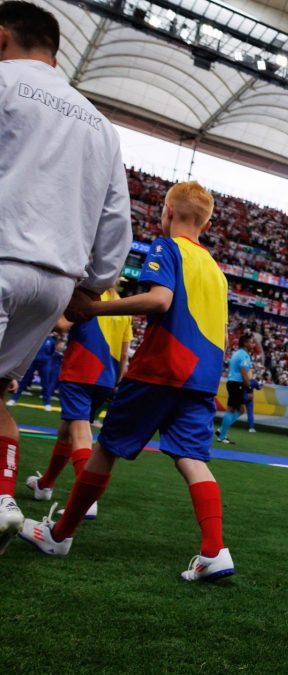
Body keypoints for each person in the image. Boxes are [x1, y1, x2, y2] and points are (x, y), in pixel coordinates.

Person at [18, 181, 234, 583]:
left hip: (161, 368)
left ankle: (59, 536)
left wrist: (95, 308)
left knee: (106, 449)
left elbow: (160, 300)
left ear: (168, 212)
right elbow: (221, 333)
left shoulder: (167, 247)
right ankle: (214, 551)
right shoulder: (217, 272)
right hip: (202, 377)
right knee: (192, 459)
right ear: (206, 224)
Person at [0, 0, 131, 553]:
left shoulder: (4, 83)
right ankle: (3, 499)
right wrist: (91, 286)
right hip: (55, 280)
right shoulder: (100, 124)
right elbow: (116, 219)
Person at [24, 289, 132, 517]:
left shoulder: (85, 296)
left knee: (80, 430)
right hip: (106, 378)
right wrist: (115, 382)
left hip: (80, 370)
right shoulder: (123, 306)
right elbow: (124, 354)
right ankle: (44, 485)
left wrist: (55, 297)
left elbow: (62, 325)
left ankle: (87, 500)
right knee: (66, 431)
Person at [216, 333, 254, 443]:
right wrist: (249, 389)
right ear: (245, 343)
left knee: (240, 409)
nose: (253, 344)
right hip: (237, 384)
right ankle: (222, 436)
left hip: (233, 383)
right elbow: (244, 372)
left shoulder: (237, 353)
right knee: (231, 409)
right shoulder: (244, 355)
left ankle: (222, 430)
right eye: (251, 342)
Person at [7, 333, 55, 407]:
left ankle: (47, 403)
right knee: (23, 381)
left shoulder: (51, 340)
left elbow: (51, 352)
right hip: (32, 362)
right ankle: (13, 399)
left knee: (46, 383)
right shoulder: (36, 337)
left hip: (45, 363)